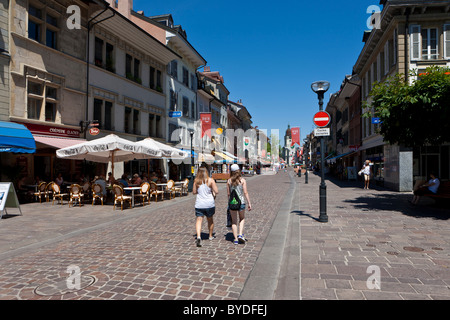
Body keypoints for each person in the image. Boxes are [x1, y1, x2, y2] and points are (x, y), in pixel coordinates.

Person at [193, 167, 219, 247]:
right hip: (209, 204)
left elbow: (194, 192)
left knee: (199, 220)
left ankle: (198, 236)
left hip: (199, 204)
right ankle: (210, 236)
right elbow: (216, 191)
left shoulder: (196, 181)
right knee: (210, 220)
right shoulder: (211, 180)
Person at [227, 164, 252, 245]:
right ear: (239, 170)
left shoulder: (229, 181)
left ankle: (235, 239)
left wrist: (229, 203)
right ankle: (240, 234)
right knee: (242, 218)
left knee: (234, 221)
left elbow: (228, 194)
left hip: (232, 203)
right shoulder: (242, 180)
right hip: (241, 202)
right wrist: (249, 203)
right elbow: (245, 192)